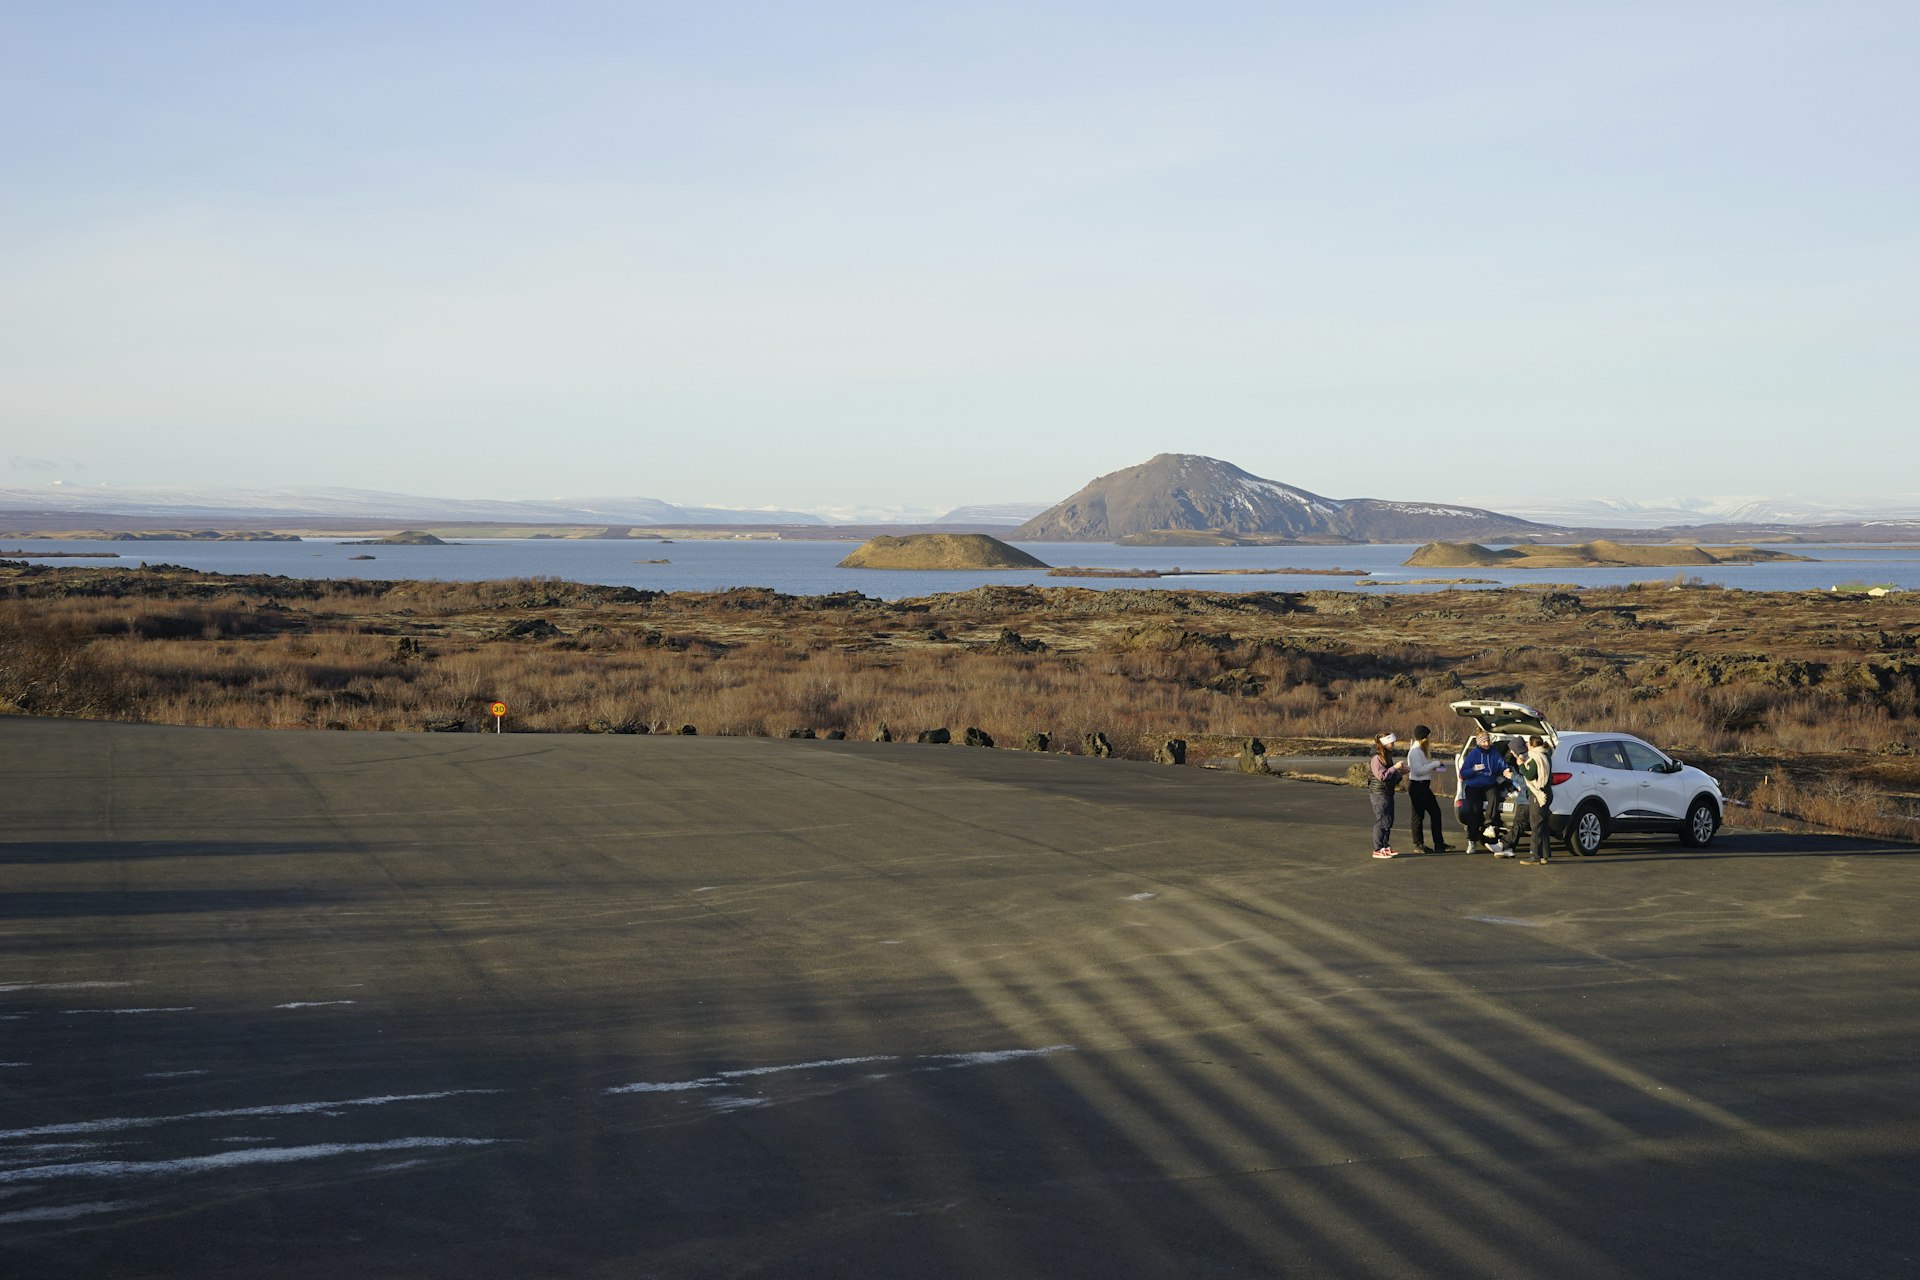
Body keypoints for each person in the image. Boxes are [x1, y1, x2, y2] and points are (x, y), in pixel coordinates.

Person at [1457, 731, 1505, 855]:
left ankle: (1489, 823)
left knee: (1494, 795)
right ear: (1479, 743)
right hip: (1474, 785)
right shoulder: (1473, 754)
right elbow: (1463, 773)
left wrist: (1507, 774)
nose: (1486, 743)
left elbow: (1503, 767)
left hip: (1489, 783)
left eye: (1488, 740)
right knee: (1474, 810)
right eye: (1483, 741)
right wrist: (1473, 769)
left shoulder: (1495, 754)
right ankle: (1472, 841)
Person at [1405, 725, 1450, 854]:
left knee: (1435, 813)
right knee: (1418, 816)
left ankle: (1439, 844)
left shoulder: (1420, 751)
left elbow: (1424, 767)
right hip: (1417, 786)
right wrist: (1434, 764)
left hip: (1424, 786)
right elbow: (1418, 771)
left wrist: (1434, 766)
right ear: (1424, 738)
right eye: (1428, 736)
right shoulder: (1414, 752)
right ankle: (1418, 844)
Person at [1513, 734, 1555, 864]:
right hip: (1547, 793)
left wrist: (1520, 765)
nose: (1526, 746)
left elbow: (1530, 775)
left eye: (1527, 744)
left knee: (1535, 825)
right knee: (1542, 825)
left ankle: (1534, 855)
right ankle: (1544, 855)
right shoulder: (1546, 755)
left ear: (1532, 745)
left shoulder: (1535, 758)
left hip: (1538, 795)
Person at [1368, 733, 1410, 858]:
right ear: (1385, 743)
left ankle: (1385, 846)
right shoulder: (1376, 758)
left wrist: (1400, 772)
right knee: (1382, 820)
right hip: (1379, 793)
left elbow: (1390, 776)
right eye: (1391, 743)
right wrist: (1394, 768)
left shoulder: (1386, 757)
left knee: (1388, 820)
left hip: (1387, 792)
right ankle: (1378, 848)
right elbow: (1382, 776)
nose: (1393, 745)